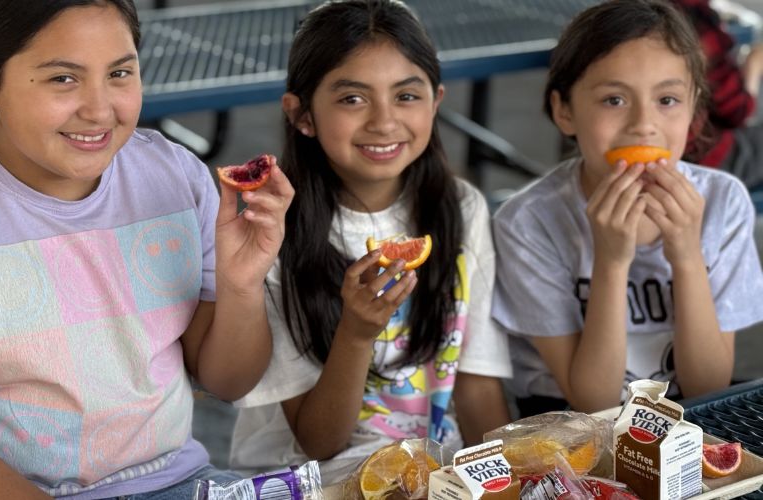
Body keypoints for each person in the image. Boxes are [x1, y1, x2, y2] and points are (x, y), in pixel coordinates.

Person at [0, 1, 293, 498]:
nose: (99, 109)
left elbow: (228, 382)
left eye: (119, 72)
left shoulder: (174, 176)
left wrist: (241, 285)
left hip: (183, 480)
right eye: (62, 79)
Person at [228, 0, 513, 483]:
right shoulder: (270, 230)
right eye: (353, 99)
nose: (383, 121)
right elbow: (319, 442)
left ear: (436, 100)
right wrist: (358, 332)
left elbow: (476, 386)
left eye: (406, 96)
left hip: (435, 475)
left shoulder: (461, 208)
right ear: (302, 115)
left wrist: (514, 481)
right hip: (310, 478)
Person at [491, 0, 763, 418]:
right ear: (564, 110)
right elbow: (593, 402)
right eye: (614, 100)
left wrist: (688, 256)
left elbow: (708, 387)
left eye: (668, 99)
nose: (644, 124)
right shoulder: (528, 223)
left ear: (694, 110)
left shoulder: (723, 203)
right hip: (568, 421)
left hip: (687, 411)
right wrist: (613, 261)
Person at [672, 0, 763, 189]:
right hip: (704, 162)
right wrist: (755, 63)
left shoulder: (625, 15)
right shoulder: (693, 23)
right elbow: (736, 112)